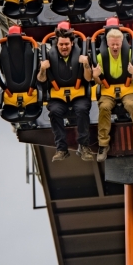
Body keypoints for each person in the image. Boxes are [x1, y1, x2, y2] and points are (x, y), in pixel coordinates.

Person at [92, 27, 133, 161]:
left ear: (122, 43)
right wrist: (96, 76)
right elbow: (98, 81)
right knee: (104, 107)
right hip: (108, 90)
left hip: (127, 88)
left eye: (117, 44)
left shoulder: (131, 55)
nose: (115, 47)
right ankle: (103, 144)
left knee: (130, 105)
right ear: (107, 43)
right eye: (112, 44)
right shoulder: (100, 57)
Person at [37, 26, 94, 163]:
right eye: (61, 44)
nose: (64, 47)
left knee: (82, 109)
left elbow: (88, 79)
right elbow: (41, 80)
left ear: (72, 43)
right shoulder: (49, 57)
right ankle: (61, 149)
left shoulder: (81, 54)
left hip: (78, 93)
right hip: (58, 96)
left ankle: (84, 146)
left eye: (66, 44)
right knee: (54, 111)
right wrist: (43, 69)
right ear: (57, 44)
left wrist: (86, 65)